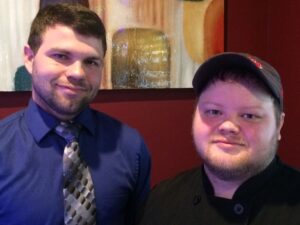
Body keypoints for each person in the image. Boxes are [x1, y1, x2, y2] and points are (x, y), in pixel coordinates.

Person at [0, 3, 151, 225]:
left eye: (91, 61)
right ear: (30, 58)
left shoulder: (130, 147)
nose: (77, 73)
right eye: (61, 56)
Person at [136, 52, 300, 225]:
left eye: (249, 115)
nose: (228, 126)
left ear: (279, 125)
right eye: (214, 111)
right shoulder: (160, 201)